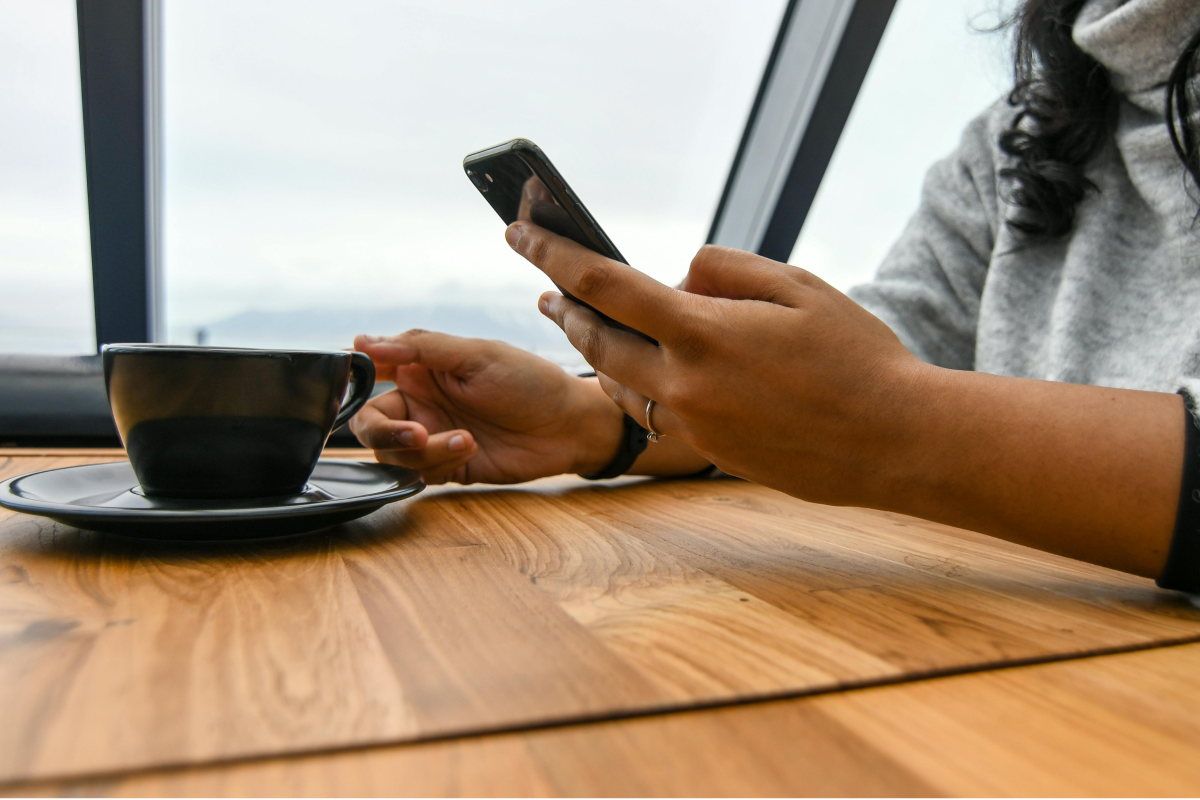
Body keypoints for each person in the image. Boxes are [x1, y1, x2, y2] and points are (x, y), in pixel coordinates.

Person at [350, 0, 1200, 590]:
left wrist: (894, 422)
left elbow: (890, 406)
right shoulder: (1017, 136)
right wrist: (601, 421)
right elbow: (890, 358)